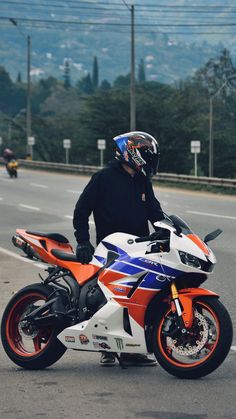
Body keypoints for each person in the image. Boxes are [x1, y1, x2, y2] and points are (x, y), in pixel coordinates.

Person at [73, 131, 165, 366]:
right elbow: (81, 211)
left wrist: (167, 232)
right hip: (111, 248)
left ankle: (132, 350)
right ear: (131, 153)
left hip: (140, 247)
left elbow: (154, 212)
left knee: (141, 296)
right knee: (108, 298)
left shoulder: (142, 181)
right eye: (145, 154)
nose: (149, 159)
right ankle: (106, 348)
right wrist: (83, 241)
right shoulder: (103, 177)